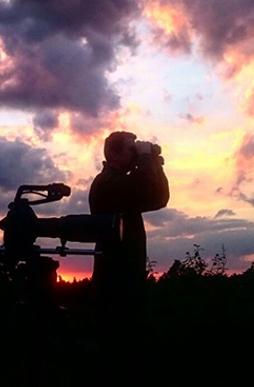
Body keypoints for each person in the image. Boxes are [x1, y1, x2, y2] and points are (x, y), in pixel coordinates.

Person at [89, 131, 169, 352]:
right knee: (117, 352)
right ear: (114, 156)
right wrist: (145, 159)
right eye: (130, 150)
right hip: (115, 283)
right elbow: (146, 188)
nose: (135, 155)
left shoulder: (120, 182)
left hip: (125, 280)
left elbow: (159, 198)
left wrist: (154, 163)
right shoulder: (108, 184)